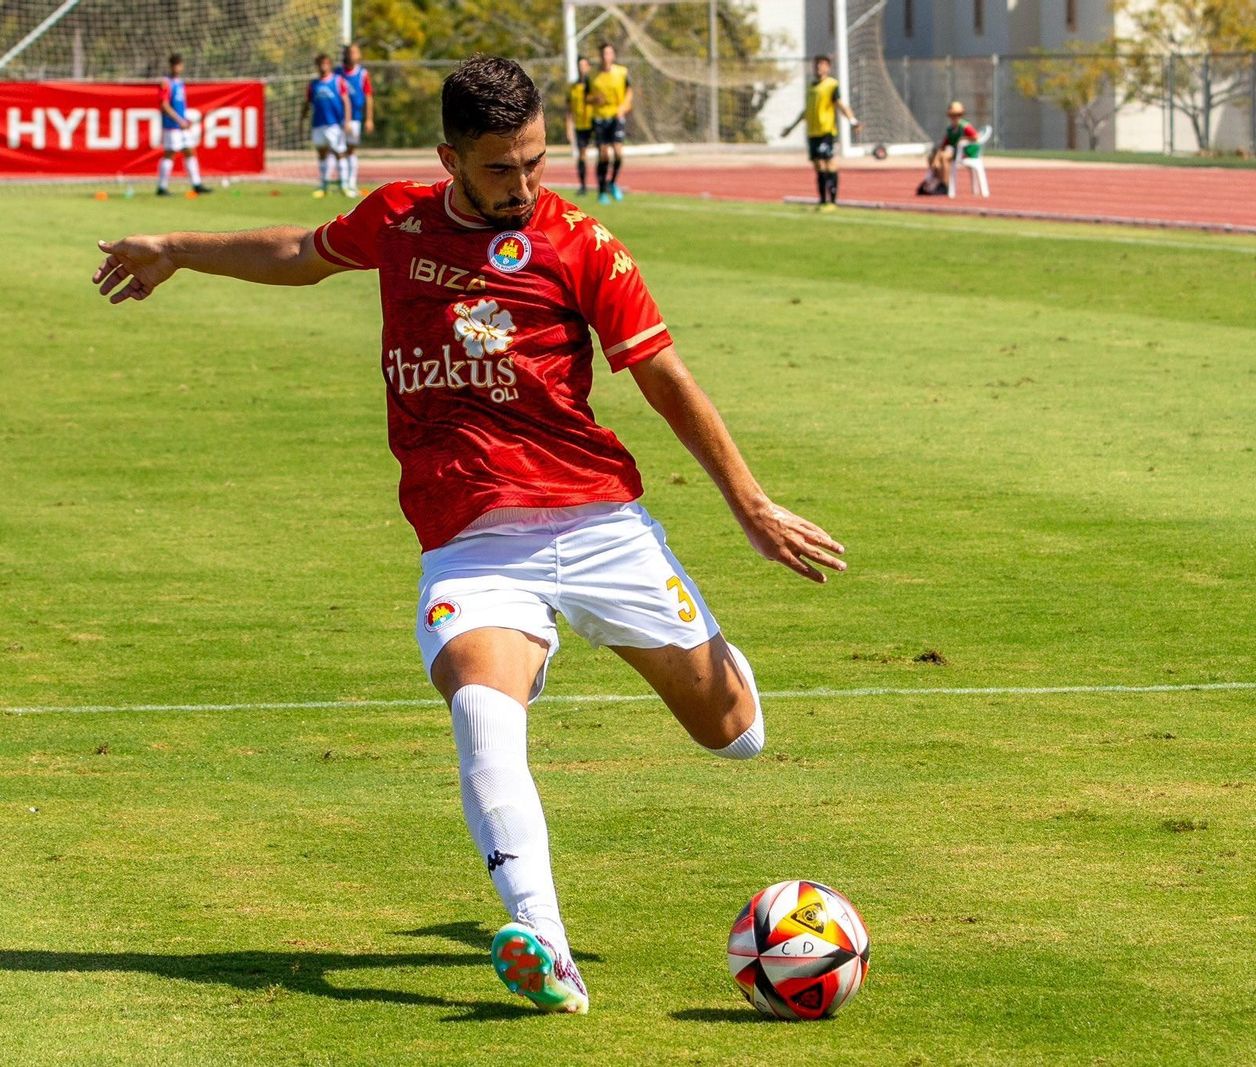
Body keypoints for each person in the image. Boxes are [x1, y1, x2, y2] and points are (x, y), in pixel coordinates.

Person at [91, 55, 844, 1016]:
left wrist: (752, 504)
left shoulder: (584, 245)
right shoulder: (399, 218)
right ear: (449, 156)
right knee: (482, 711)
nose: (524, 185)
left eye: (536, 161)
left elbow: (661, 374)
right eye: (500, 169)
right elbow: (299, 251)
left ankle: (700, 652)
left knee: (732, 733)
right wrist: (180, 247)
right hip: (474, 545)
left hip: (601, 521)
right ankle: (546, 944)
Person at [780, 55, 859, 212]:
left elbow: (840, 105)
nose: (818, 67)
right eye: (817, 64)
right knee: (818, 166)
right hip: (812, 133)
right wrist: (791, 128)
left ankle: (833, 202)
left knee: (829, 163)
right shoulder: (810, 87)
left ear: (828, 68)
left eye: (822, 65)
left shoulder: (831, 85)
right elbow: (806, 111)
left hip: (826, 131)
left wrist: (852, 121)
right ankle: (823, 201)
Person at [156, 53, 212, 197]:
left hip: (182, 125)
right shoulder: (166, 82)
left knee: (189, 151)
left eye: (179, 64)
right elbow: (164, 105)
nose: (177, 67)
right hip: (171, 125)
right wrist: (179, 120)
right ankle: (162, 188)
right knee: (170, 154)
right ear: (170, 66)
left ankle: (197, 184)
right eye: (175, 64)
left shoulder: (180, 82)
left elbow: (180, 105)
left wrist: (185, 119)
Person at [301, 53, 352, 198]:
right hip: (318, 124)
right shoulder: (313, 84)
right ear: (317, 66)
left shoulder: (338, 81)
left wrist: (347, 121)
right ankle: (323, 186)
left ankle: (345, 186)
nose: (323, 66)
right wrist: (302, 118)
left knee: (340, 153)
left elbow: (346, 101)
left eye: (325, 63)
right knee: (322, 154)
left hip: (334, 124)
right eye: (320, 63)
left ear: (329, 64)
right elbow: (307, 103)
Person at [586, 43, 631, 204]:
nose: (606, 56)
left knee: (618, 153)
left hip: (616, 117)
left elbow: (629, 91)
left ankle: (612, 183)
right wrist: (594, 99)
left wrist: (624, 107)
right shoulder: (592, 76)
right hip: (599, 118)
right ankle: (602, 191)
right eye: (603, 53)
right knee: (603, 154)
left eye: (609, 53)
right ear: (600, 56)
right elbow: (586, 97)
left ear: (613, 55)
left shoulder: (622, 72)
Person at [337, 43, 375, 198]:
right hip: (337, 118)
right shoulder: (337, 72)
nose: (352, 55)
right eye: (349, 52)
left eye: (355, 52)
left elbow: (368, 97)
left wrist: (369, 119)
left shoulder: (362, 73)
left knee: (351, 150)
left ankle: (351, 183)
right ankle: (342, 183)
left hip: (355, 118)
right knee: (338, 151)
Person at [928, 101, 979, 192]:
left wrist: (963, 139)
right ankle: (936, 181)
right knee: (933, 157)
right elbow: (944, 144)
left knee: (944, 157)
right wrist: (936, 157)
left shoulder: (965, 126)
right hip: (953, 151)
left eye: (957, 115)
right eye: (953, 115)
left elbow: (976, 137)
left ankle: (945, 185)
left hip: (964, 153)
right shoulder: (950, 129)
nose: (955, 117)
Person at [565, 56, 594, 196]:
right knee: (581, 155)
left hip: (595, 123)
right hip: (581, 126)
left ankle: (604, 185)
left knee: (604, 153)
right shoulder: (574, 87)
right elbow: (569, 109)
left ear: (589, 67)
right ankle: (583, 186)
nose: (581, 68)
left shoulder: (595, 84)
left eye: (584, 65)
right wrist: (568, 127)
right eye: (579, 66)